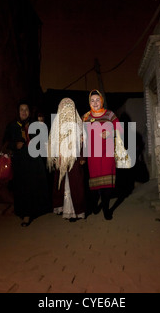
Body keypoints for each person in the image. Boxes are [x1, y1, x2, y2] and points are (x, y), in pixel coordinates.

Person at [2, 100, 50, 227]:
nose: (24, 112)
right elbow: (5, 143)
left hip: (34, 162)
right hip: (20, 162)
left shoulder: (35, 124)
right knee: (22, 188)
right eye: (21, 110)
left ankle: (34, 211)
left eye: (26, 110)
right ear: (18, 112)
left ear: (29, 112)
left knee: (34, 186)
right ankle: (25, 214)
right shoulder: (12, 126)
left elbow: (44, 140)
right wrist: (15, 145)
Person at [82, 89, 122, 220]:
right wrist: (81, 137)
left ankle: (106, 209)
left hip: (107, 152)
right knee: (94, 185)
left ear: (102, 100)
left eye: (97, 100)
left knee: (106, 184)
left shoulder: (110, 114)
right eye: (92, 100)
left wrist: (110, 133)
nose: (95, 103)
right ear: (89, 102)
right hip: (93, 154)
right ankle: (94, 204)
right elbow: (81, 133)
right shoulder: (86, 117)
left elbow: (120, 129)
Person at [47, 98, 87, 222]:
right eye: (65, 106)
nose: (67, 109)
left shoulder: (78, 123)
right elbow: (53, 141)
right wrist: (54, 156)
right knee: (63, 184)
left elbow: (84, 141)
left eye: (70, 106)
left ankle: (75, 211)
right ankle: (64, 208)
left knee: (75, 184)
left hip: (74, 160)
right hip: (61, 158)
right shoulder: (57, 123)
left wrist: (82, 157)